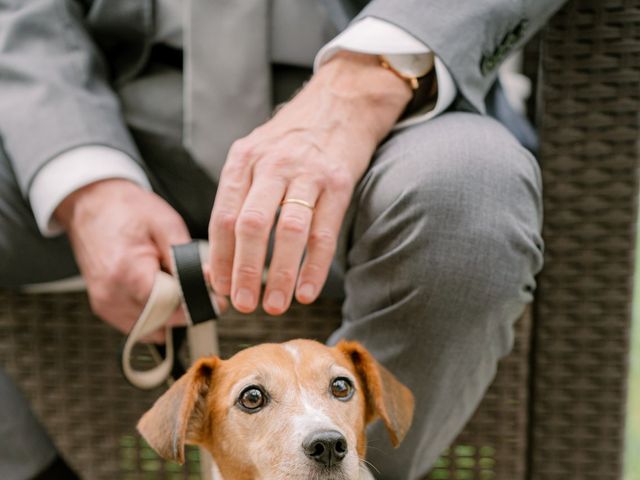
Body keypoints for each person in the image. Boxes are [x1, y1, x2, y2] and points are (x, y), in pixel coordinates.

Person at [0, 1, 566, 478]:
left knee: (471, 191)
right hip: (120, 111)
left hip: (397, 107)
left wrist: (371, 75)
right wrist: (85, 183)